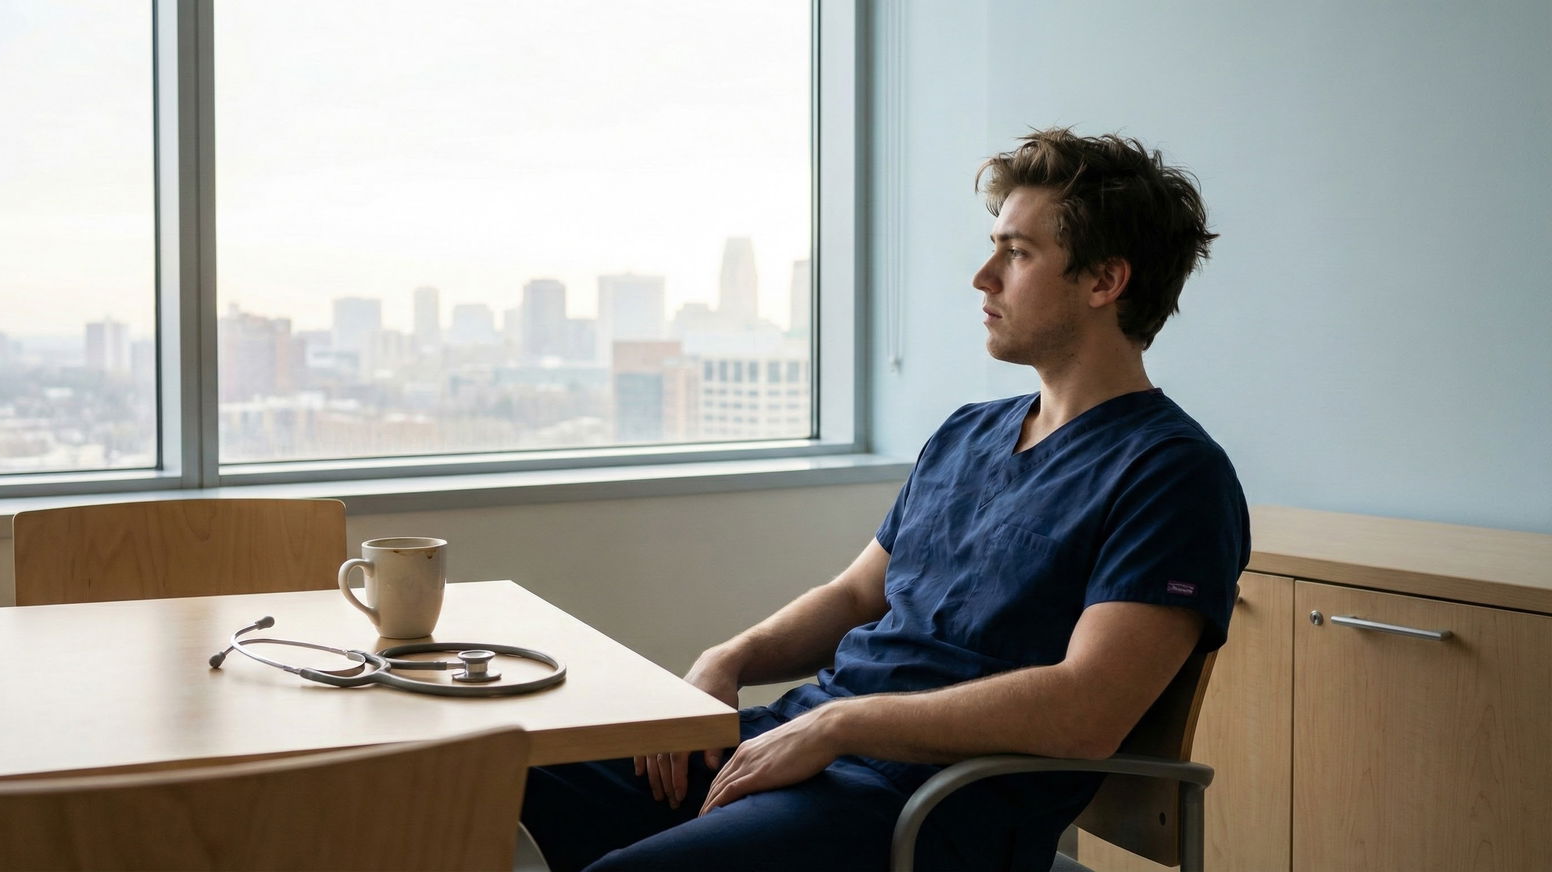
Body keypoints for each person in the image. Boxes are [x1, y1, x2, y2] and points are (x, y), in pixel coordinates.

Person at [521, 128, 1249, 872]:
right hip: (810, 743)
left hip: (927, 803)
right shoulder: (968, 432)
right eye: (994, 248)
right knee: (490, 779)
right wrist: (726, 660)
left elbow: (1086, 708)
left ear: (1105, 282)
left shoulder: (1170, 475)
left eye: (1018, 253)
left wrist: (841, 726)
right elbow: (854, 595)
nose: (983, 277)